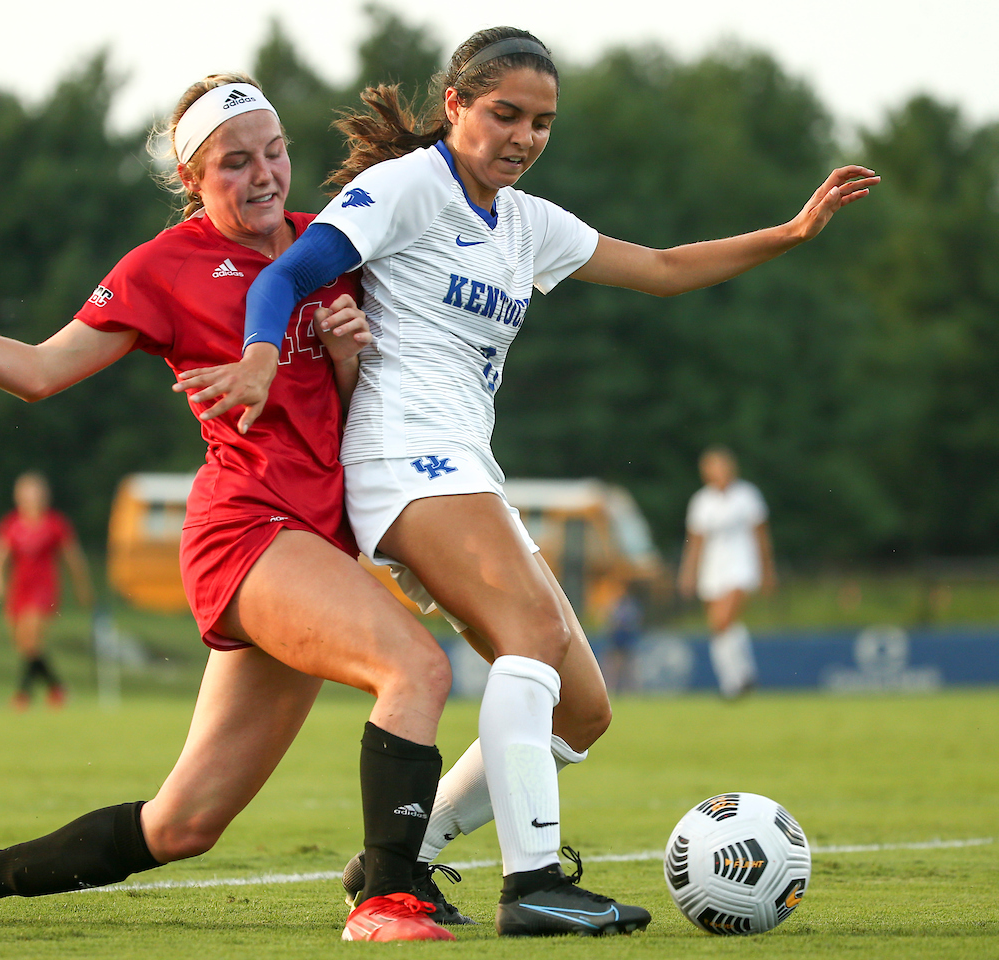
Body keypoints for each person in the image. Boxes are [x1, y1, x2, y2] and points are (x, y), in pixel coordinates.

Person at [186, 26, 877, 937]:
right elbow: (285, 273)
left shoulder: (529, 223)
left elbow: (665, 271)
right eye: (505, 114)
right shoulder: (404, 187)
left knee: (583, 709)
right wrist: (264, 357)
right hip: (401, 455)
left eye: (542, 123)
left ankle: (404, 854)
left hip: (465, 465)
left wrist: (791, 232)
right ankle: (534, 883)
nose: (522, 136)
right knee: (535, 633)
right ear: (457, 107)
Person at [0, 75, 455, 942]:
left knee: (183, 825)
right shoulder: (163, 267)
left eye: (273, 151)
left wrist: (350, 357)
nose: (265, 174)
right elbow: (42, 372)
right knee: (416, 671)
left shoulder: (325, 249)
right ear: (191, 180)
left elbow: (352, 422)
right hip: (247, 533)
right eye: (234, 162)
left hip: (314, 545)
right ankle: (388, 898)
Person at [0, 470, 93, 709]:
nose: (31, 497)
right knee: (24, 645)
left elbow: (73, 559)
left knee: (32, 639)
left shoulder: (55, 523)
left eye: (36, 492)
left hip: (45, 589)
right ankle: (57, 688)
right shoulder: (11, 524)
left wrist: (82, 587)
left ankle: (22, 695)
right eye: (26, 492)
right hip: (19, 589)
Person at [678, 446, 776, 698]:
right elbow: (695, 542)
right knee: (721, 627)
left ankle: (735, 681)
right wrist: (688, 573)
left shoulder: (747, 496)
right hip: (713, 569)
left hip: (742, 566)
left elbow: (761, 536)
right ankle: (739, 677)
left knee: (722, 620)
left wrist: (768, 570)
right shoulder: (702, 501)